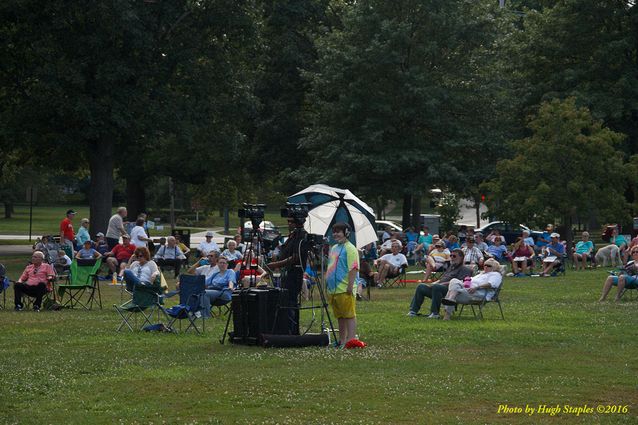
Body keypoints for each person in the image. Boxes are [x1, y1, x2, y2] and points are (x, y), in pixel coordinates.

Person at [267, 215, 309, 334]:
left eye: (291, 222)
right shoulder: (292, 236)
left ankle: (292, 330)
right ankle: (285, 328)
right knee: (284, 299)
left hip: (295, 273)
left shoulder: (302, 236)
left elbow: (295, 257)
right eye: (288, 221)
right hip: (287, 272)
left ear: (297, 223)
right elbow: (285, 251)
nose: (289, 224)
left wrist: (277, 264)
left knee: (291, 301)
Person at [407, 248, 472, 319]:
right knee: (421, 286)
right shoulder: (451, 267)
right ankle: (413, 311)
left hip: (451, 292)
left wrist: (440, 284)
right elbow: (442, 279)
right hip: (438, 289)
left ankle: (434, 313)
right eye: (451, 256)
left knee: (437, 287)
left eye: (454, 256)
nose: (452, 258)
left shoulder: (465, 269)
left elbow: (459, 282)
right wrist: (434, 283)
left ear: (461, 257)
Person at [325, 223, 359, 347]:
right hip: (333, 290)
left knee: (349, 315)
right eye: (334, 232)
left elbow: (353, 268)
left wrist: (350, 286)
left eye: (338, 232)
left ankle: (350, 340)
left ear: (346, 233)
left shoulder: (350, 248)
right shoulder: (334, 248)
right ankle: (342, 340)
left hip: (344, 288)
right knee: (340, 316)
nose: (335, 234)